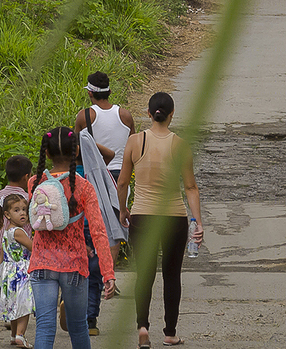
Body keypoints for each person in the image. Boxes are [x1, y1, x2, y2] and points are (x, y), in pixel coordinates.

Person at [116, 93, 203, 348]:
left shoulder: (135, 141)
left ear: (148, 112)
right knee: (172, 275)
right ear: (172, 114)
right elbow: (191, 187)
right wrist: (197, 221)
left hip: (142, 215)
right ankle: (170, 332)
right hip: (174, 217)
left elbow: (122, 182)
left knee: (144, 274)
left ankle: (142, 327)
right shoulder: (180, 145)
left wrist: (122, 210)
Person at [28, 127, 115, 349]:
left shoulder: (34, 184)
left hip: (41, 264)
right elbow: (98, 232)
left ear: (46, 153)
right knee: (78, 328)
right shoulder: (84, 187)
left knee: (45, 327)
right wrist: (108, 274)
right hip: (74, 266)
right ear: (76, 153)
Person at [75, 70, 136, 326]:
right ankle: (110, 278)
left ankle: (97, 277)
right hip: (120, 177)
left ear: (90, 93)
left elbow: (77, 145)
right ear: (109, 91)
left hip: (95, 174)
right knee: (113, 226)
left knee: (96, 227)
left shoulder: (84, 116)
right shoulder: (125, 115)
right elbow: (132, 141)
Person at [0, 192, 37, 347]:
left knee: (14, 305)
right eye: (16, 210)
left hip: (8, 272)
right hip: (20, 272)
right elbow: (33, 248)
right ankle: (21, 335)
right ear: (7, 214)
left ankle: (14, 335)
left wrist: (1, 272)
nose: (22, 213)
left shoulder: (7, 231)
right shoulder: (19, 232)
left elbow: (2, 252)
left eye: (24, 210)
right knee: (24, 305)